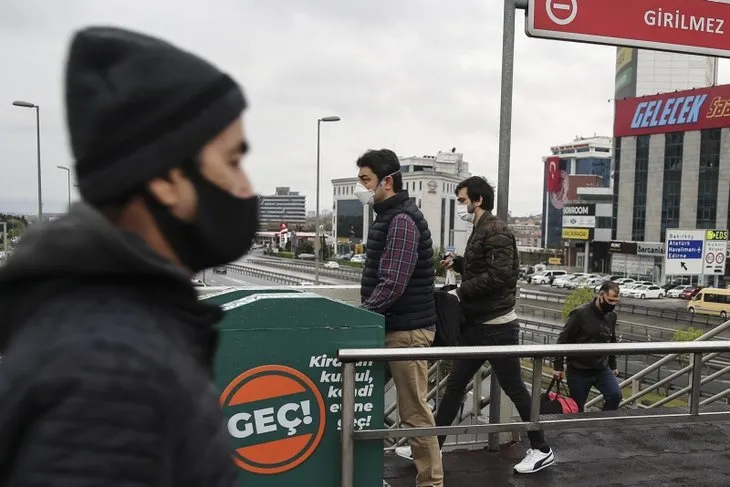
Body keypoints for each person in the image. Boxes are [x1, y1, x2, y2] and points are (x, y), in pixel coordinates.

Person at [0, 27, 257, 486]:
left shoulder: (104, 325)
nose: (245, 189)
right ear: (164, 177)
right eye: (233, 161)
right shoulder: (113, 374)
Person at [434, 176, 555, 474]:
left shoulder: (496, 230)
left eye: (463, 200)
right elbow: (485, 268)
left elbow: (500, 275)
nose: (460, 206)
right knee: (454, 387)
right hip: (478, 324)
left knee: (515, 388)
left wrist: (461, 292)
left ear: (478, 201)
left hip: (497, 325)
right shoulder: (481, 228)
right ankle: (429, 447)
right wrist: (459, 263)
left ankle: (541, 449)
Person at [355, 149, 443, 487]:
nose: (362, 187)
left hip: (406, 331)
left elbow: (393, 282)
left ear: (386, 181)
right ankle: (364, 473)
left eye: (365, 180)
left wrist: (361, 315)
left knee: (415, 414)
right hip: (392, 326)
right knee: (359, 399)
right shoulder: (391, 216)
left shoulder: (402, 220)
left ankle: (431, 483)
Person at [553, 281, 622, 412]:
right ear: (601, 295)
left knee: (615, 396)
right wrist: (558, 367)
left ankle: (601, 426)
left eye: (615, 301)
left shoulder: (612, 316)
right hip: (579, 371)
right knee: (577, 409)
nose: (612, 304)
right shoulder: (579, 314)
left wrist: (613, 366)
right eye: (610, 300)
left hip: (601, 368)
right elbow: (563, 339)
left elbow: (611, 340)